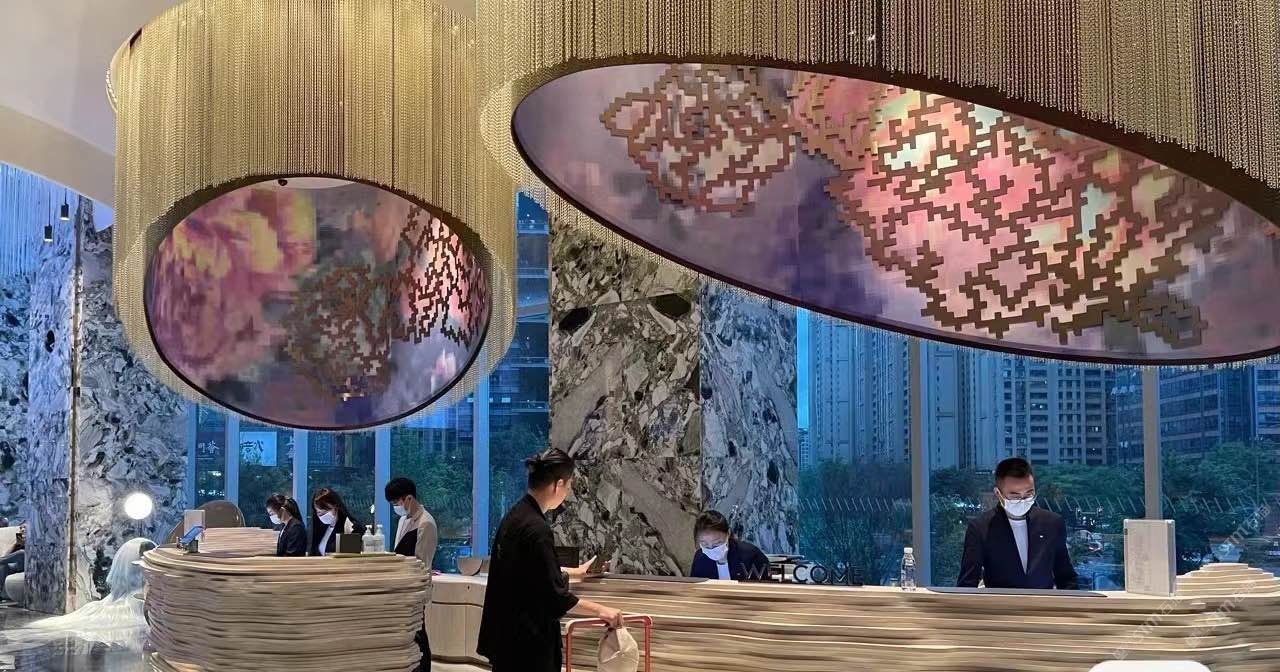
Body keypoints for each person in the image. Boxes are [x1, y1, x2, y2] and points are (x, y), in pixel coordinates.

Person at [478, 449, 624, 672]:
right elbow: (555, 597)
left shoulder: (515, 517)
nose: (568, 492)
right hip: (528, 645)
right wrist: (602, 610)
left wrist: (576, 572)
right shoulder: (537, 529)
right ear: (558, 484)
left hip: (505, 639)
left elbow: (528, 570)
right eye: (569, 486)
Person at [958, 457, 1078, 590]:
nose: (1022, 500)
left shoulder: (1052, 523)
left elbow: (1066, 577)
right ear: (998, 493)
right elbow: (967, 584)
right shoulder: (980, 528)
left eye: (1029, 494)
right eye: (1015, 496)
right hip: (1001, 602)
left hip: (1043, 602)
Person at [385, 477, 438, 672]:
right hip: (402, 587)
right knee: (409, 634)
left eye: (396, 502)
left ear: (408, 498)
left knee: (418, 633)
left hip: (415, 589)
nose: (396, 507)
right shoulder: (403, 520)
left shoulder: (426, 523)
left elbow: (422, 562)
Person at [689, 510, 771, 581]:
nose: (711, 549)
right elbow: (695, 587)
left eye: (717, 543)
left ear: (728, 533)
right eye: (705, 544)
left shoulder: (751, 556)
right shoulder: (700, 558)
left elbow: (767, 587)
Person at [309, 488, 366, 557]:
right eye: (319, 513)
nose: (323, 516)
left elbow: (351, 558)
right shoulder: (320, 528)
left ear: (336, 507)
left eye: (326, 510)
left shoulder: (350, 527)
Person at [0, 523, 25, 602]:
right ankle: (1, 594)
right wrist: (15, 544)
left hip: (28, 566)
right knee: (3, 565)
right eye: (21, 528)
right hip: (17, 566)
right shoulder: (19, 541)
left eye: (24, 527)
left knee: (22, 553)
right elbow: (6, 556)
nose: (22, 529)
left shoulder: (35, 538)